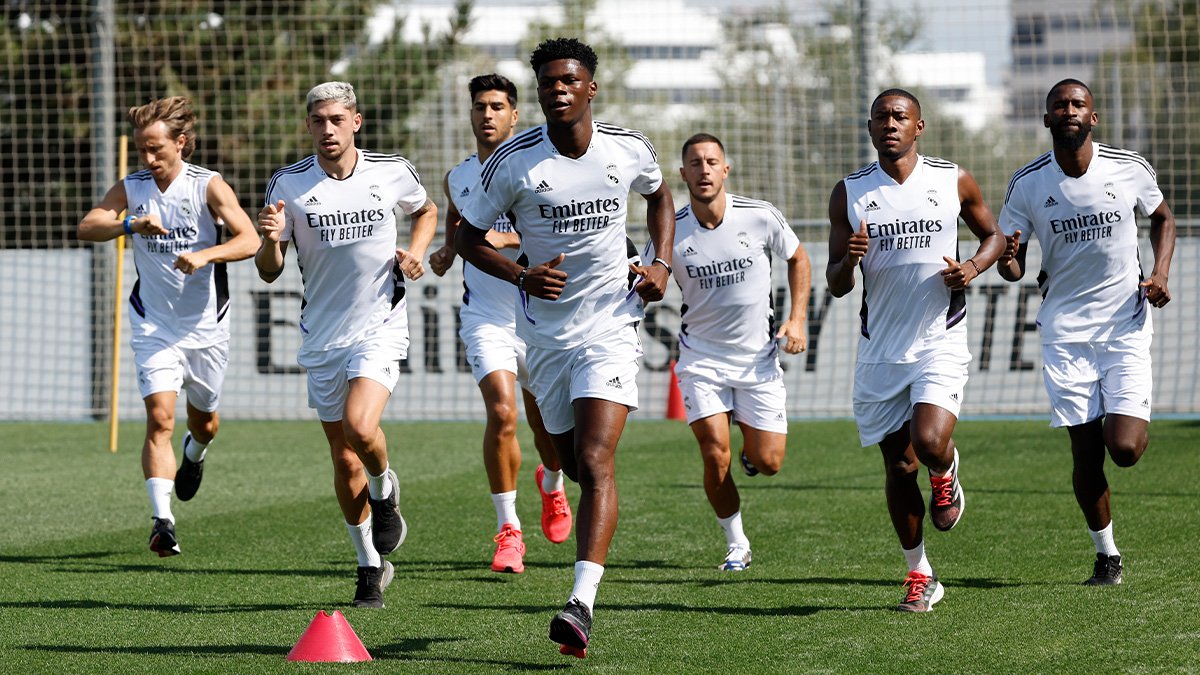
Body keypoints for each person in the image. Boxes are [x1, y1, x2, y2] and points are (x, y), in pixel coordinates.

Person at [455, 38, 674, 657]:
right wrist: (521, 274)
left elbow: (660, 196)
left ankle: (581, 604)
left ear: (589, 88)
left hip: (612, 321)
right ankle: (552, 476)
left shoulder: (627, 147)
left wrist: (659, 263)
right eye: (548, 81)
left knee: (598, 461)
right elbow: (470, 240)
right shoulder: (513, 164)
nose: (557, 88)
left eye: (568, 79)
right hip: (545, 333)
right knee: (572, 463)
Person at [255, 82, 437, 608]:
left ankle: (385, 491)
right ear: (308, 125)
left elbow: (425, 211)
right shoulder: (288, 185)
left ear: (356, 121)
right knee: (343, 459)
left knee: (361, 426)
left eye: (337, 119)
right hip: (323, 334)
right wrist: (269, 240)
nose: (327, 129)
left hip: (380, 323)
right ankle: (369, 567)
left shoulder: (391, 171)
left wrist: (418, 251)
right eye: (318, 120)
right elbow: (269, 273)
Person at [826, 88, 1004, 612]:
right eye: (881, 117)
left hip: (940, 339)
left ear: (918, 127)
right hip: (880, 348)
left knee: (928, 443)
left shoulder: (951, 180)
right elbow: (837, 285)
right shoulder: (851, 193)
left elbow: (993, 236)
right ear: (870, 126)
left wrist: (969, 270)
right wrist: (849, 260)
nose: (891, 124)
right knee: (898, 468)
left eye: (901, 117)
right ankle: (920, 574)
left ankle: (946, 472)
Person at [997, 79, 1176, 586]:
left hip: (1124, 324)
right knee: (1084, 451)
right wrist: (1009, 259)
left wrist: (1159, 273)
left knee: (1125, 449)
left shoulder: (1128, 167)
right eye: (1060, 105)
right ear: (1047, 118)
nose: (1070, 111)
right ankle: (1107, 554)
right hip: (1065, 332)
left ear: (1092, 117)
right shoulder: (1027, 184)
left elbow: (1163, 218)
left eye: (1078, 104)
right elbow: (1014, 267)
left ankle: (1120, 417)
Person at [77, 97, 259, 558]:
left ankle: (195, 453)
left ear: (181, 143)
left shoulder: (208, 186)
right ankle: (163, 522)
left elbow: (249, 239)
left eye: (157, 148)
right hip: (153, 323)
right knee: (159, 417)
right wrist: (129, 225)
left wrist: (204, 255)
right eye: (143, 149)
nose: (149, 158)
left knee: (206, 422)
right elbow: (89, 225)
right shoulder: (133, 187)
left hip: (206, 326)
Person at [428, 73, 573, 574]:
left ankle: (552, 485)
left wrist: (505, 242)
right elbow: (459, 226)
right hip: (485, 317)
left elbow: (545, 239)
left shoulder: (540, 170)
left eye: (496, 107)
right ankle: (509, 530)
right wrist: (448, 251)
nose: (486, 115)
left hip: (539, 318)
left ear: (515, 115)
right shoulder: (458, 176)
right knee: (503, 415)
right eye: (479, 107)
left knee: (547, 427)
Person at [671, 133, 810, 571]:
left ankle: (752, 455)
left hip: (757, 360)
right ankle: (737, 543)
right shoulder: (670, 230)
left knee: (769, 463)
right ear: (683, 174)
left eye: (712, 161)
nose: (704, 169)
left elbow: (799, 258)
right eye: (695, 163)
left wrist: (797, 317)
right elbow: (649, 278)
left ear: (726, 169)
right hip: (701, 360)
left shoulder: (760, 216)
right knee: (715, 451)